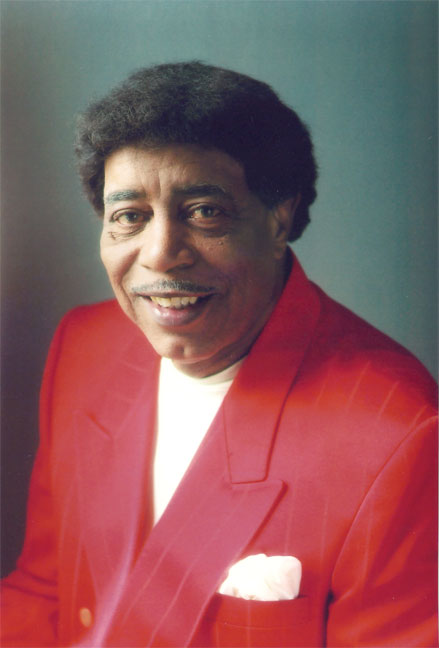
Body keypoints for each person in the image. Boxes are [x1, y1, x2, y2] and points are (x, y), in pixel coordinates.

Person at [1, 61, 437, 648]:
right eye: (129, 217)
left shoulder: (400, 435)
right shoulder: (84, 347)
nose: (161, 254)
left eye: (204, 211)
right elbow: (43, 593)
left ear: (279, 218)